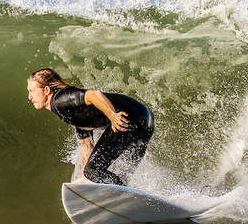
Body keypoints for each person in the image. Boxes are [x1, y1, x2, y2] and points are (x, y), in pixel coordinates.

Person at [26, 68, 154, 186]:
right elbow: (87, 145)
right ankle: (126, 198)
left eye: (32, 91)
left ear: (46, 90)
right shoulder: (69, 111)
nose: (29, 97)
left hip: (128, 117)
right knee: (117, 174)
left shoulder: (60, 100)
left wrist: (112, 115)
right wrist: (84, 179)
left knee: (93, 170)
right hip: (145, 119)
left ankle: (125, 198)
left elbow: (93, 95)